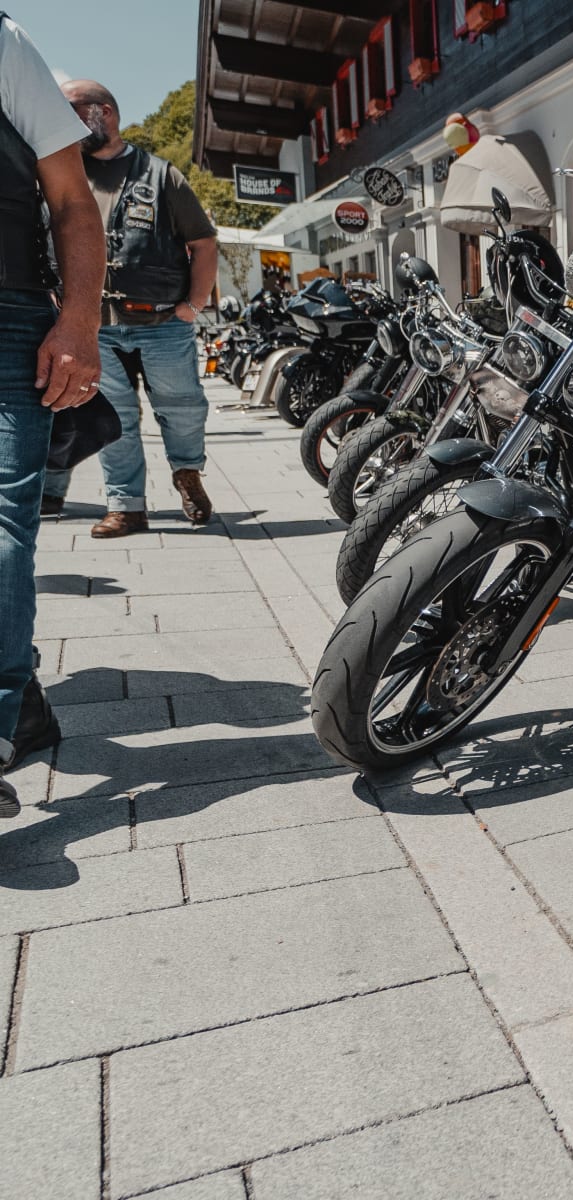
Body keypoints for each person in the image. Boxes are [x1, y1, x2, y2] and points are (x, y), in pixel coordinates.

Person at [0, 14, 104, 815]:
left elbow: (71, 198)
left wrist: (77, 320)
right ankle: (19, 708)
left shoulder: (1, 39)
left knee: (4, 515)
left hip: (8, 312)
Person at [42, 79, 217, 538]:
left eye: (72, 111)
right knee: (114, 419)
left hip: (163, 323)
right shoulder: (65, 174)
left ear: (105, 112)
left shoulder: (162, 175)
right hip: (96, 325)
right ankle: (127, 507)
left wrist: (193, 305)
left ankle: (187, 474)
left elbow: (203, 242)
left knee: (182, 409)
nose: (63, 122)